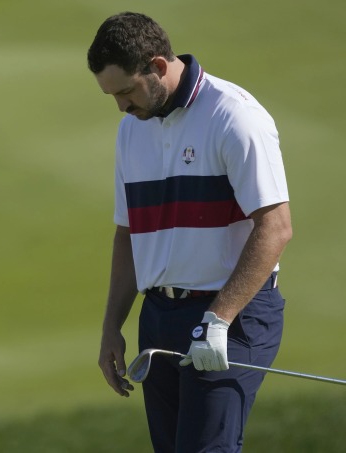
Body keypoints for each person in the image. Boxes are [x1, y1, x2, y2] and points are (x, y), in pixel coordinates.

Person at [87, 12, 292, 452]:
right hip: (159, 318)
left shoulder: (233, 116)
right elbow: (128, 234)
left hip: (233, 316)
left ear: (158, 67)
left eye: (125, 91)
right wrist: (111, 326)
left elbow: (275, 227)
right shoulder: (132, 130)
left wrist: (218, 320)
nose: (121, 106)